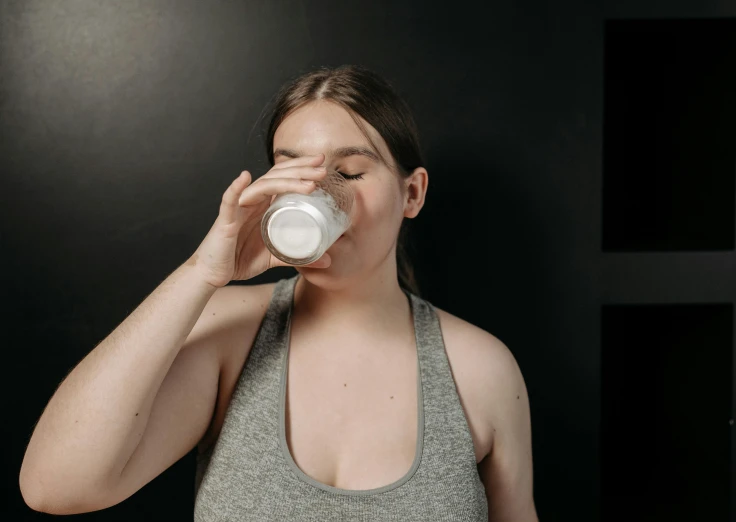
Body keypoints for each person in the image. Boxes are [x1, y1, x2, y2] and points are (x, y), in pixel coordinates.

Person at [19, 64, 537, 521]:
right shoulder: (230, 336)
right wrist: (202, 272)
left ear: (412, 193)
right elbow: (55, 488)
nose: (317, 191)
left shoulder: (480, 368)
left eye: (349, 172)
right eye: (294, 170)